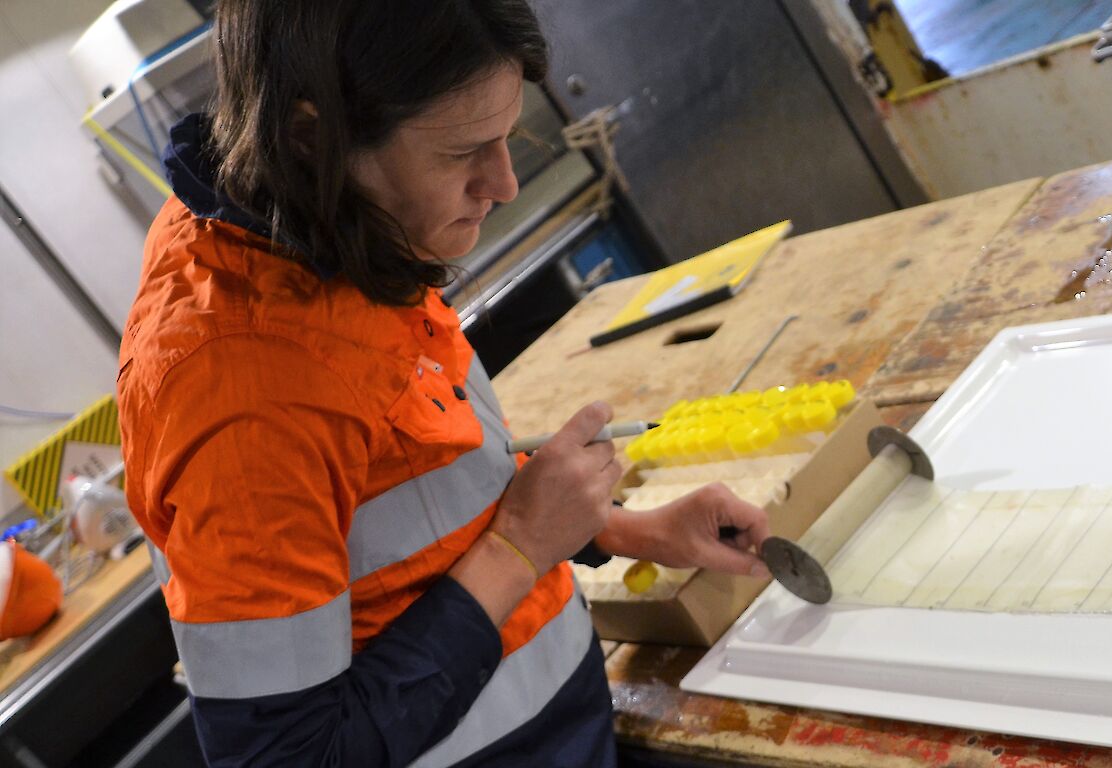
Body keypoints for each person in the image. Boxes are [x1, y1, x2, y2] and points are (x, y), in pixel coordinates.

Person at [115, 1, 771, 765]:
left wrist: (622, 529)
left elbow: (424, 490)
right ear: (311, 137)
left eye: (507, 138)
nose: (505, 182)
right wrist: (521, 547)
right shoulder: (241, 397)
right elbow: (291, 755)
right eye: (463, 153)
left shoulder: (320, 223)